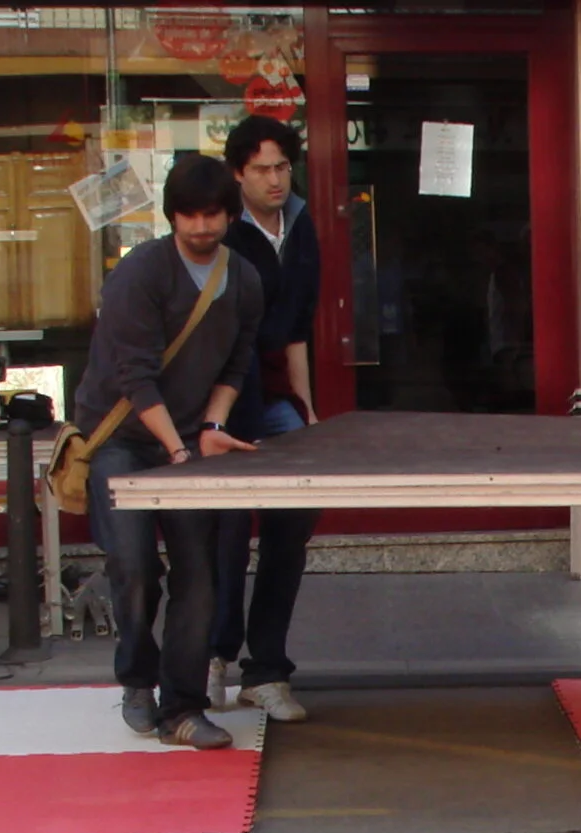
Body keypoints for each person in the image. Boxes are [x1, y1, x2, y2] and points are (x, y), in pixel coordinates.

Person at [75, 150, 263, 749]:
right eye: (190, 215)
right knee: (132, 567)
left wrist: (211, 425)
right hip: (123, 439)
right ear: (172, 216)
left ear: (230, 214)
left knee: (198, 574)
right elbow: (134, 375)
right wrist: (176, 448)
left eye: (213, 214)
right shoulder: (139, 274)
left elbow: (237, 361)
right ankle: (137, 678)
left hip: (185, 438)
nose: (202, 226)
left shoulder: (245, 278)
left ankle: (183, 706)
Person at [209, 114, 322, 723]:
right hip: (224, 398)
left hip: (277, 396)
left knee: (292, 523)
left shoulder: (300, 225)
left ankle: (267, 667)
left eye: (282, 167)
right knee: (225, 529)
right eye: (262, 169)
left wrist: (305, 406)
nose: (275, 179)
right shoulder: (220, 232)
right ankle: (215, 653)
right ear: (238, 174)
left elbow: (298, 326)